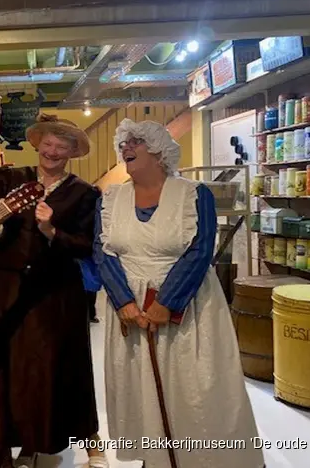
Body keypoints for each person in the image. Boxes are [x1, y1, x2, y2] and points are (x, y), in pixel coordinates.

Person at [92, 119, 265, 468]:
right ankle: (156, 459)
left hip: (188, 307)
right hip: (129, 309)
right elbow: (102, 252)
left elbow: (200, 251)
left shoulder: (193, 194)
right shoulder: (110, 199)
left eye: (136, 141)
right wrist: (124, 301)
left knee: (194, 385)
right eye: (123, 142)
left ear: (158, 151)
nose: (126, 147)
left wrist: (165, 304)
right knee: (139, 386)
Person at [0, 113, 107, 468]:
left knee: (59, 366)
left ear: (73, 152)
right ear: (37, 143)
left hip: (56, 292)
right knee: (8, 367)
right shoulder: (8, 179)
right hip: (5, 286)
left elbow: (87, 245)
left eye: (62, 145)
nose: (53, 150)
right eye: (48, 143)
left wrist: (50, 231)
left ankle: (79, 443)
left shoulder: (86, 194)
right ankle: (16, 446)